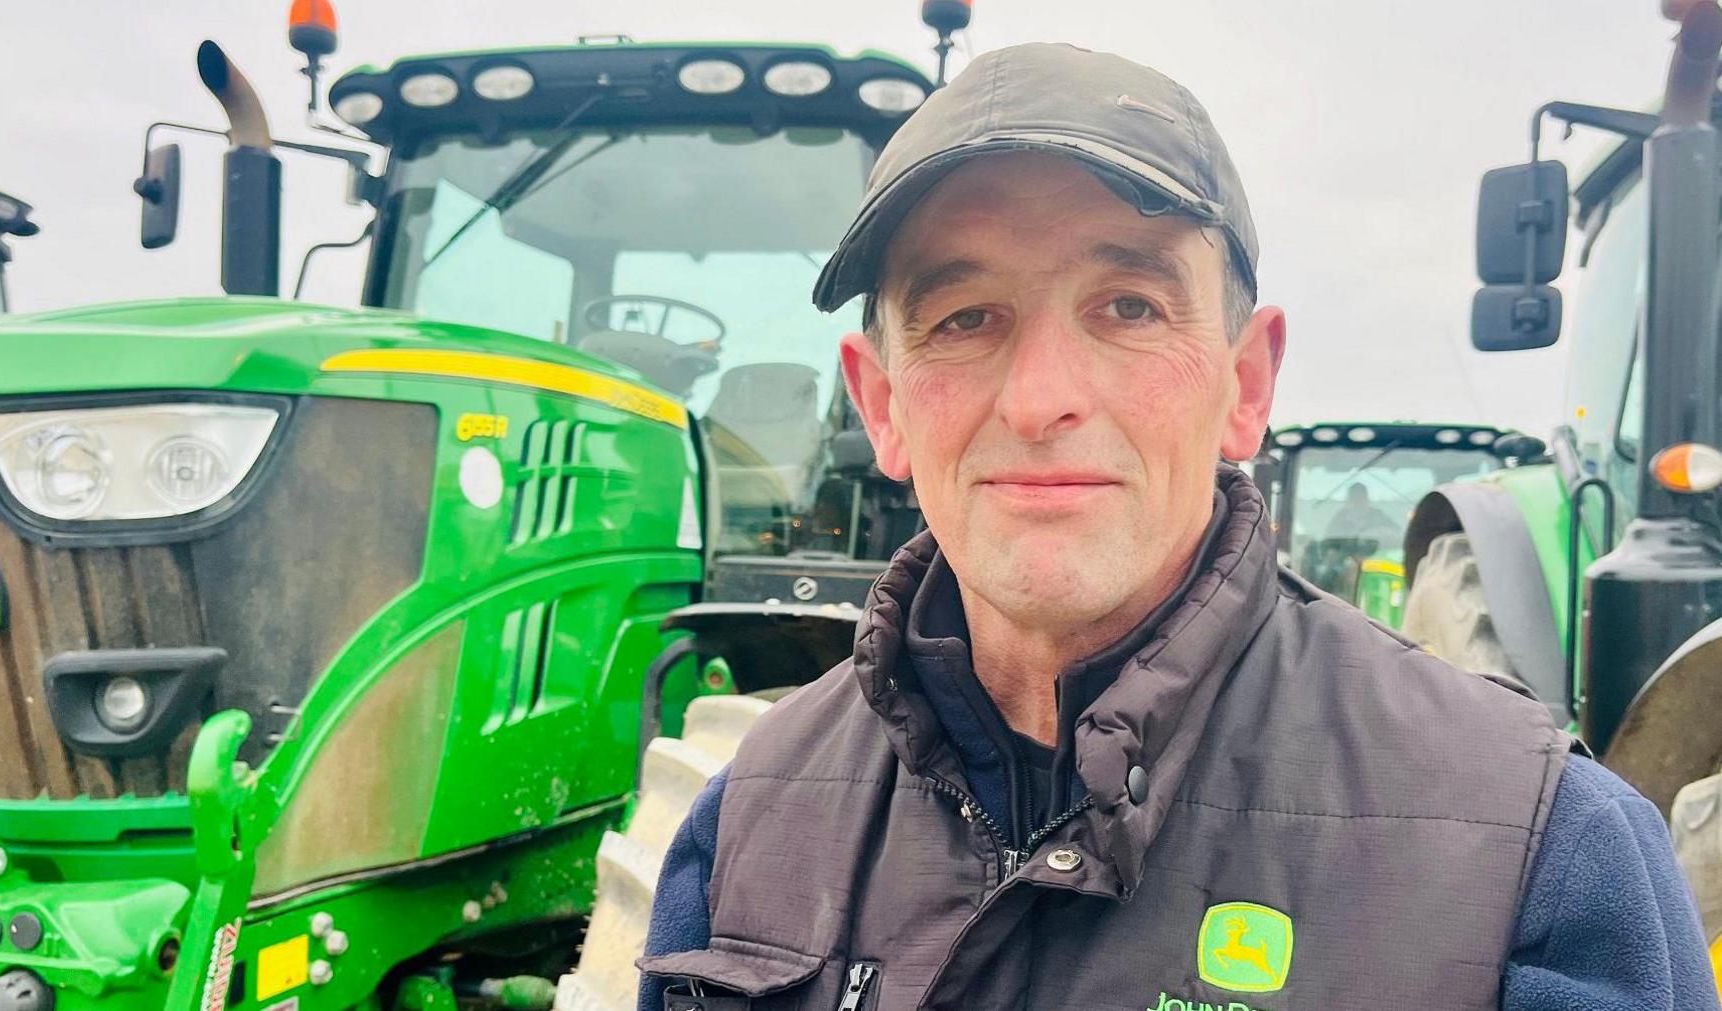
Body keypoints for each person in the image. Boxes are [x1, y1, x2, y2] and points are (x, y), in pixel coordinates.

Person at [636, 43, 1719, 1010]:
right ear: (882, 404)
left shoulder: (1542, 861)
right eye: (966, 318)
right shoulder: (741, 828)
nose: (1038, 399)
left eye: (1130, 308)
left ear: (1247, 385)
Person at [1322, 481, 1399, 542]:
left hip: (1375, 558)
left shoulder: (1379, 517)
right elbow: (1328, 542)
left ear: (1367, 499)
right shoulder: (1339, 519)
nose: (1358, 502)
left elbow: (1397, 533)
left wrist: (1378, 533)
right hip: (1345, 559)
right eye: (1354, 498)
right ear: (1349, 500)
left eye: (1361, 497)